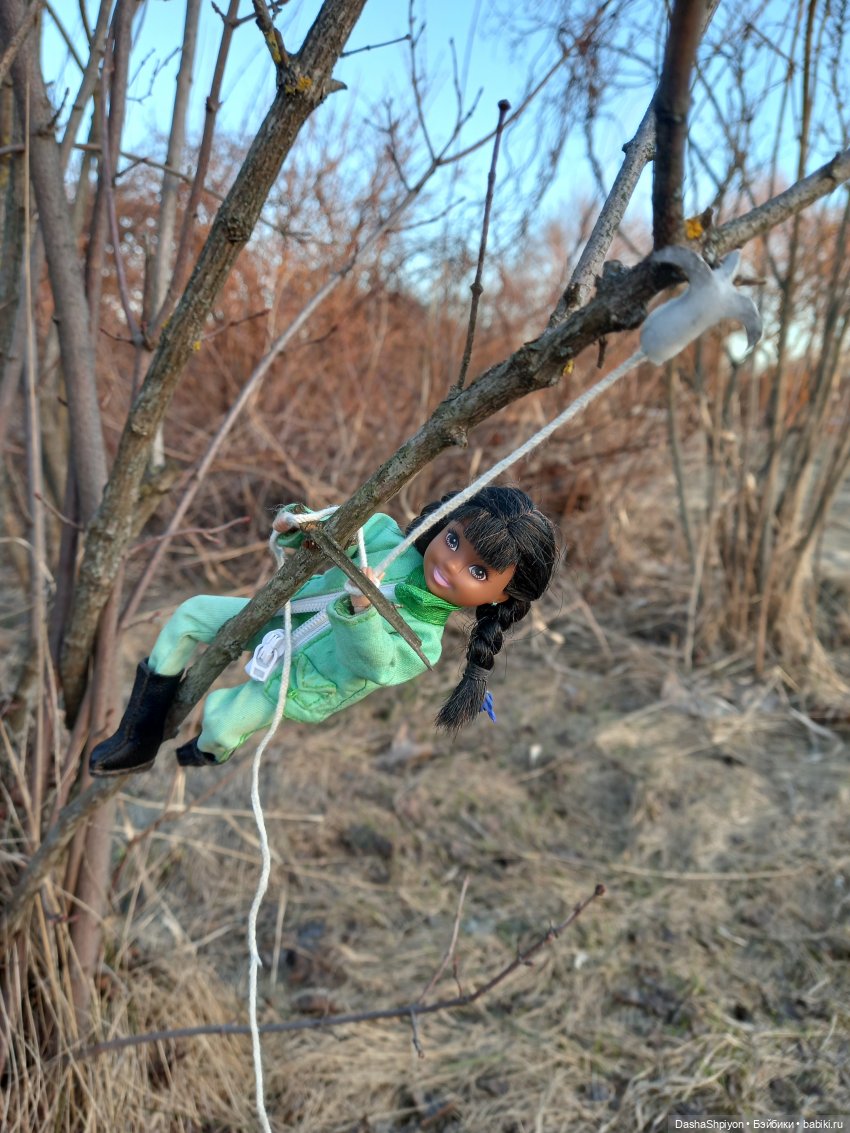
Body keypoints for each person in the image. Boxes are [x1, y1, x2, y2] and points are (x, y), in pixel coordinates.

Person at [88, 486, 558, 776]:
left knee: (221, 722)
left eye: (478, 573)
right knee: (191, 614)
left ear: (500, 597)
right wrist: (298, 524)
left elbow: (369, 664)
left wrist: (363, 610)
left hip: (297, 679)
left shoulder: (423, 643)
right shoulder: (381, 537)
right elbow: (333, 527)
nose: (450, 564)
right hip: (278, 617)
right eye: (453, 540)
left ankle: (205, 752)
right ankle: (139, 733)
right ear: (444, 520)